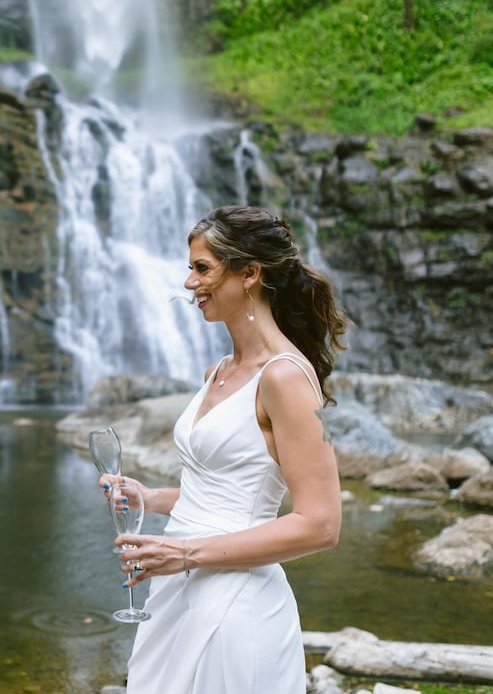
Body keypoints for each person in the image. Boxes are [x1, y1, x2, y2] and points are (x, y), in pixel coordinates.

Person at [102, 204, 348, 693]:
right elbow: (228, 485)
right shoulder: (218, 370)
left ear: (250, 273)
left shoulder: (284, 376)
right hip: (176, 589)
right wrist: (150, 498)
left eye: (202, 268)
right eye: (190, 268)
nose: (189, 282)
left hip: (236, 603)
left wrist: (186, 553)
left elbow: (321, 525)